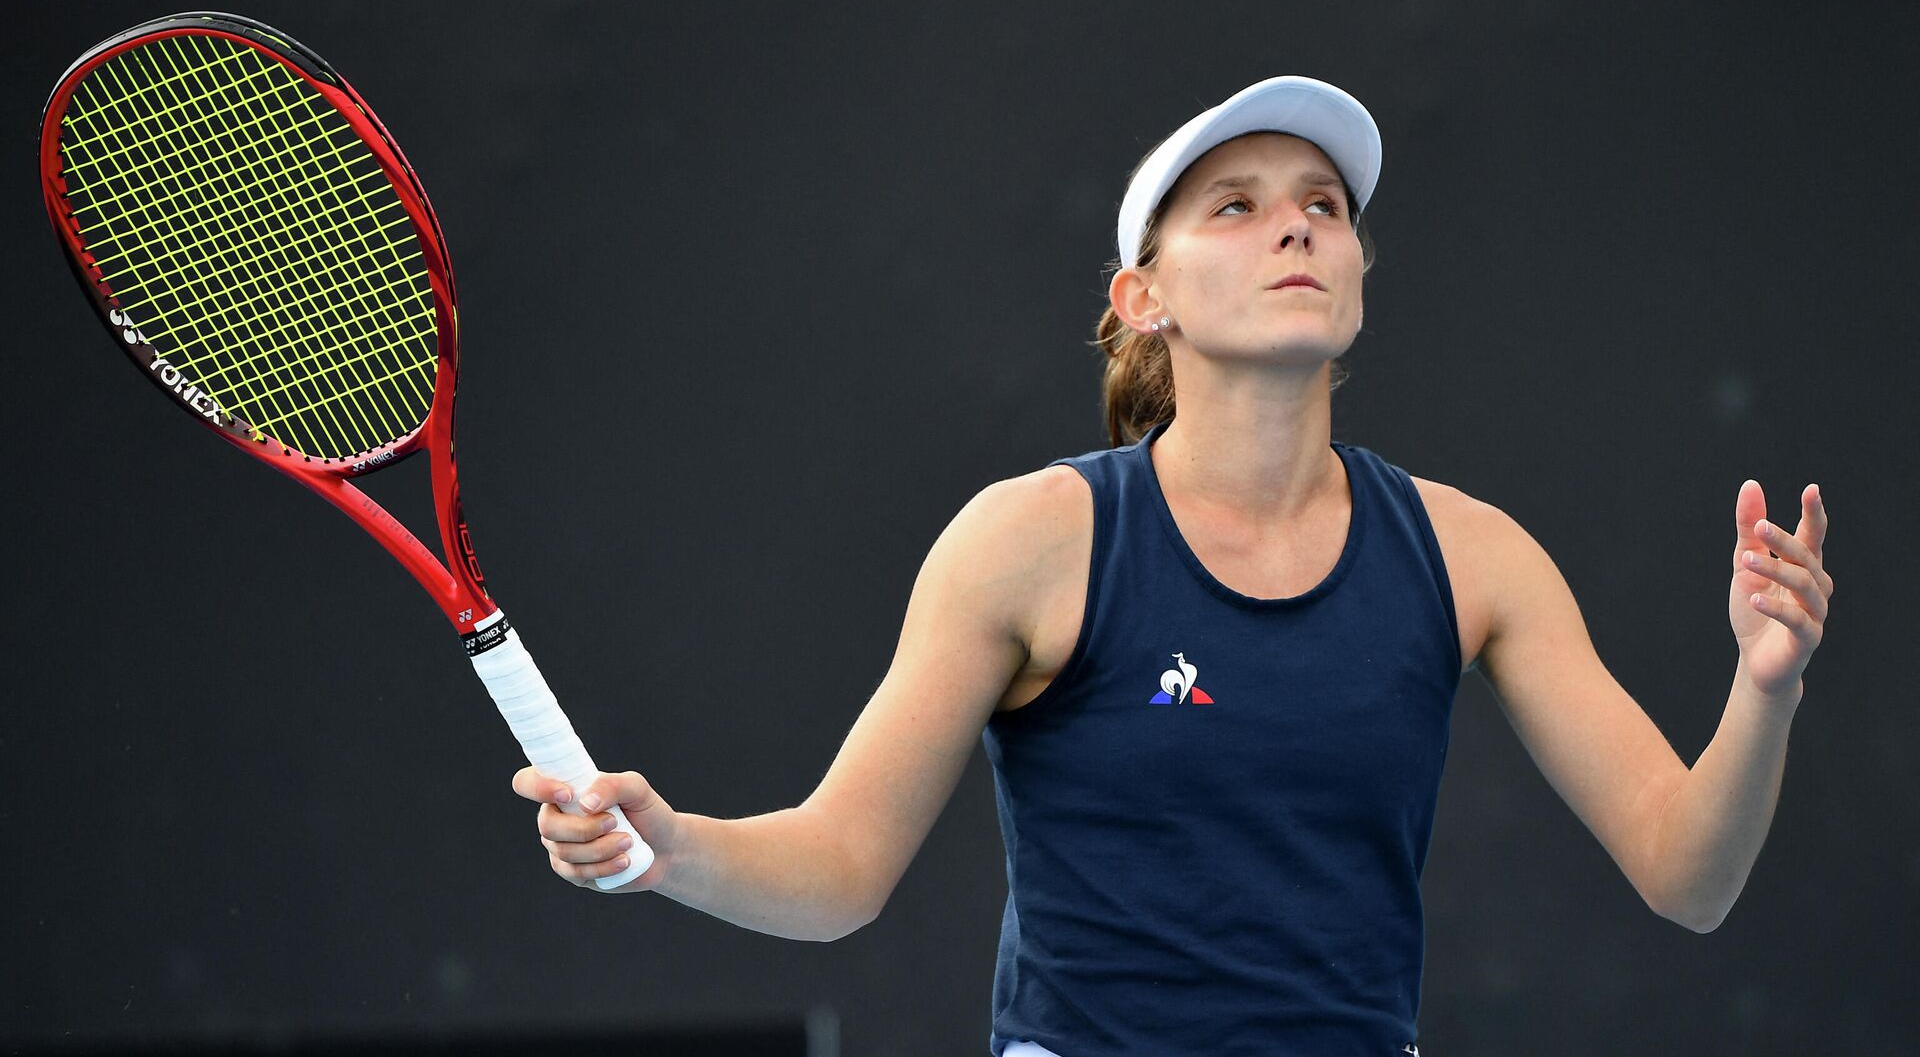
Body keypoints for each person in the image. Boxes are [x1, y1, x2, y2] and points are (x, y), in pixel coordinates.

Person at [512, 77, 1833, 1055]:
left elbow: (1689, 877)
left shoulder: (1473, 556)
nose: (1298, 230)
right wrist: (671, 851)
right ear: (1143, 296)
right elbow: (843, 867)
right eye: (1239, 207)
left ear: (1364, 272)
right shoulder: (1027, 542)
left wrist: (1764, 688)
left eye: (1324, 205)